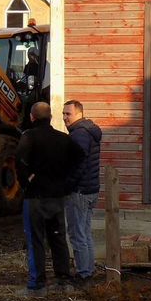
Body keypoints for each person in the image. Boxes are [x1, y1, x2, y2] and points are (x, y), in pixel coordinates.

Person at [17, 102, 84, 296]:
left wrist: (26, 183)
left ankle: (37, 284)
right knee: (58, 239)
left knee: (36, 240)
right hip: (56, 197)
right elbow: (80, 157)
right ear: (51, 117)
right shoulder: (63, 139)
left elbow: (20, 162)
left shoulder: (28, 137)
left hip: (35, 198)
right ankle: (63, 280)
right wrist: (66, 182)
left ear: (32, 117)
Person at [63, 100, 102, 283]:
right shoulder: (90, 131)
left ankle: (83, 273)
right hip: (91, 188)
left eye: (68, 114)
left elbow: (77, 165)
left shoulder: (79, 135)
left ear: (79, 114)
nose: (64, 118)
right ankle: (89, 269)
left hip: (79, 191)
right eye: (63, 114)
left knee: (77, 234)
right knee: (85, 232)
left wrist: (67, 185)